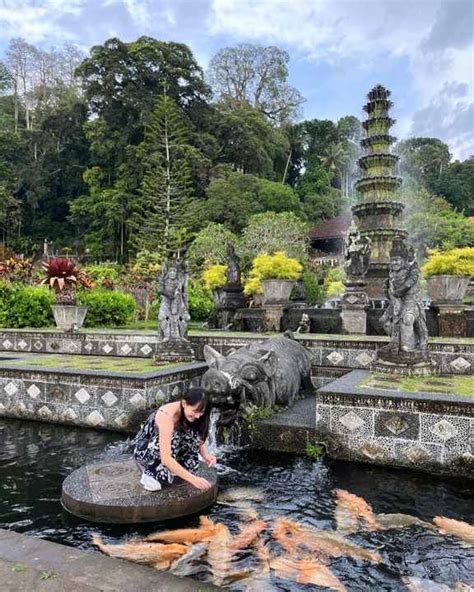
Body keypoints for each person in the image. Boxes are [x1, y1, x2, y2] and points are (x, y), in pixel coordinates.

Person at [133, 387, 217, 492]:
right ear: (184, 404)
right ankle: (150, 473)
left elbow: (198, 434)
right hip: (148, 450)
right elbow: (166, 459)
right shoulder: (166, 416)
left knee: (190, 468)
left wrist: (206, 455)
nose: (197, 416)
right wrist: (193, 479)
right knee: (165, 475)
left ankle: (176, 466)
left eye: (201, 412)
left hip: (174, 447)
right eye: (195, 411)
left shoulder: (195, 415)